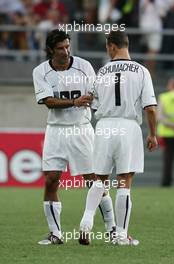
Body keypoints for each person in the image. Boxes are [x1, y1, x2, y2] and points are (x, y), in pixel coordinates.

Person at [32, 29, 115, 245]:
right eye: (61, 48)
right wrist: (75, 101)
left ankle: (112, 229)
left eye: (68, 46)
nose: (66, 51)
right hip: (56, 130)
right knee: (51, 180)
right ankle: (55, 234)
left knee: (94, 181)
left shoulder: (84, 66)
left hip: (81, 128)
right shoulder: (40, 71)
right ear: (51, 50)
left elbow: (95, 95)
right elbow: (48, 101)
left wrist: (92, 102)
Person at [79, 30, 158, 246]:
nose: (107, 50)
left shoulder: (102, 71)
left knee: (99, 179)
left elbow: (91, 102)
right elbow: (150, 108)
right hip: (128, 126)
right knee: (124, 181)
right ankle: (121, 236)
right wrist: (152, 134)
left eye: (107, 46)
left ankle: (86, 221)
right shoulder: (141, 71)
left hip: (104, 126)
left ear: (112, 46)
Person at [157, 78, 174, 186]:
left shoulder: (164, 97)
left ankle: (166, 183)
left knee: (168, 161)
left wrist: (173, 126)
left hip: (167, 133)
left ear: (173, 85)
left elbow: (159, 117)